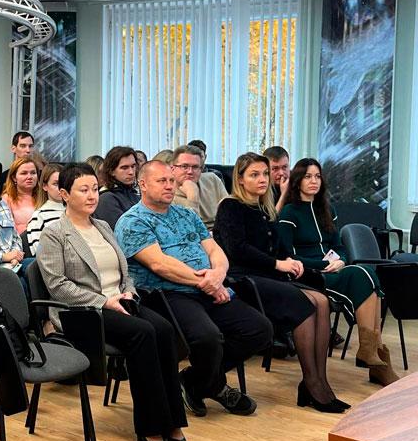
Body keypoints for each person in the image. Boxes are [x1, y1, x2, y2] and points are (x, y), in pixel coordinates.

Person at [38, 163, 188, 441]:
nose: (92, 196)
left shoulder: (103, 227)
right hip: (82, 312)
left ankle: (173, 421)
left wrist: (128, 291)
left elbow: (124, 271)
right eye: (83, 190)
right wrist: (104, 301)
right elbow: (57, 286)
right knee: (143, 333)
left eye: (95, 189)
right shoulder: (54, 233)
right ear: (65, 194)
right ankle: (150, 425)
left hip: (119, 300)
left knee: (165, 330)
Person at [115, 160, 272, 418]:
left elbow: (214, 249)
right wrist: (207, 283)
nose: (170, 185)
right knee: (208, 338)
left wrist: (218, 275)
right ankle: (215, 386)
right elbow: (160, 264)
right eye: (161, 181)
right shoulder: (133, 221)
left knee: (259, 330)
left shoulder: (186, 214)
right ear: (142, 184)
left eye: (171, 180)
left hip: (208, 287)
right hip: (167, 293)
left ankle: (195, 381)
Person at [213, 152, 348, 413]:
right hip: (244, 279)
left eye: (265, 174)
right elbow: (238, 250)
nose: (263, 179)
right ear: (240, 179)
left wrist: (290, 260)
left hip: (268, 276)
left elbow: (278, 248)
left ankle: (318, 380)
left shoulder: (264, 209)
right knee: (304, 305)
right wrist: (278, 264)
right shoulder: (230, 206)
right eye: (254, 174)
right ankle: (313, 383)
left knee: (321, 301)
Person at [279, 158, 398, 386]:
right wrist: (323, 264)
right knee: (363, 274)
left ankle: (373, 353)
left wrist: (342, 261)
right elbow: (287, 256)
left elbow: (339, 247)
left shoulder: (327, 210)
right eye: (307, 176)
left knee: (367, 275)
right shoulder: (289, 213)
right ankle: (374, 356)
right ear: (297, 181)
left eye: (317, 176)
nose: (313, 181)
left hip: (333, 270)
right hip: (307, 274)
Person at [170, 145, 228, 231]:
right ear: (172, 169)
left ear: (201, 169)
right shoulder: (166, 194)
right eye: (184, 166)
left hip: (221, 232)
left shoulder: (212, 180)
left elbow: (230, 214)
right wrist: (192, 197)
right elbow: (188, 230)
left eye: (195, 167)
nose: (190, 172)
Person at [93, 146, 139, 229]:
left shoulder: (135, 195)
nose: (131, 172)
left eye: (133, 166)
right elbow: (123, 231)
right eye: (124, 168)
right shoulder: (106, 199)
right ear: (111, 171)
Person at [25, 163, 64, 256]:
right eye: (56, 184)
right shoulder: (39, 216)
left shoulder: (77, 211)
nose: (61, 188)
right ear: (45, 186)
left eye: (64, 183)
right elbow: (40, 254)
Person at [1, 157, 41, 235]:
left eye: (33, 173)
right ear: (14, 178)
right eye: (24, 173)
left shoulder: (44, 197)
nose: (29, 177)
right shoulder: (6, 199)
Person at [263, 146, 290, 213]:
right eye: (275, 168)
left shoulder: (298, 184)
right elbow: (272, 219)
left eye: (284, 167)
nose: (281, 173)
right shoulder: (261, 189)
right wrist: (284, 195)